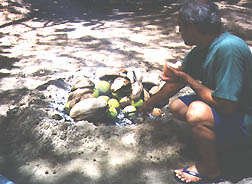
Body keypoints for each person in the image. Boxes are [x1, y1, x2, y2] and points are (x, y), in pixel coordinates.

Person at [139, 0, 252, 183]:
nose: (179, 31)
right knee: (177, 106)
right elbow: (173, 85)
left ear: (191, 27)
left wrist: (188, 80)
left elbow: (226, 105)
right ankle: (215, 143)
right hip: (231, 112)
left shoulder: (229, 49)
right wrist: (147, 104)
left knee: (197, 111)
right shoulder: (201, 49)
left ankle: (210, 169)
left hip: (246, 118)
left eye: (180, 27)